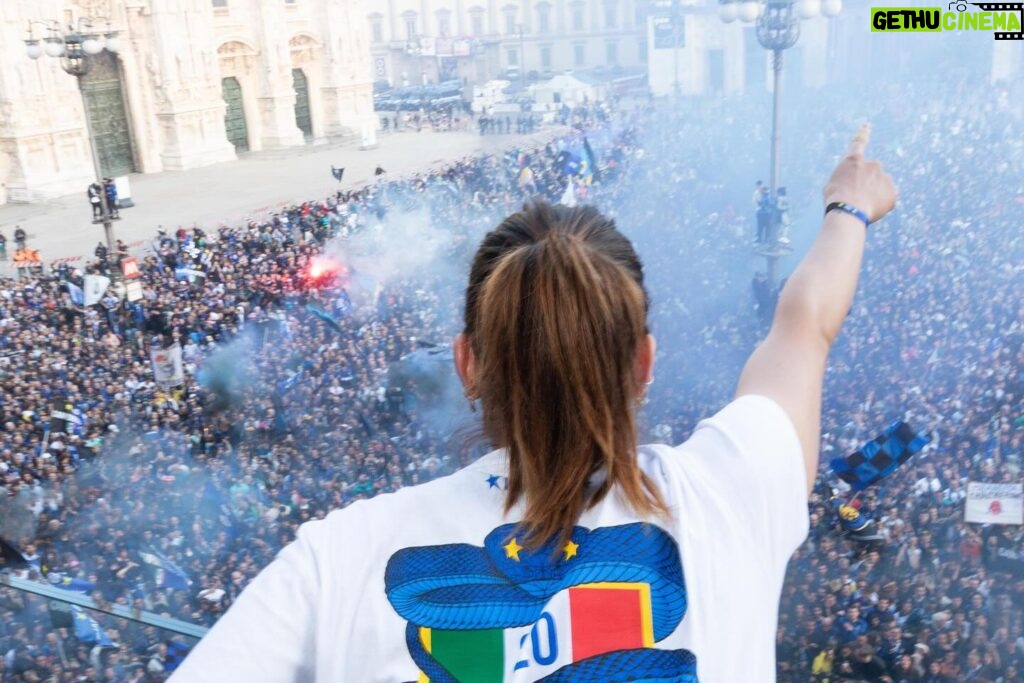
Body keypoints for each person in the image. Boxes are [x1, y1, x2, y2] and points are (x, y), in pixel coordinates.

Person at [170, 125, 895, 681]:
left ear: (466, 365)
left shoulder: (339, 560)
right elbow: (804, 322)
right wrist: (848, 208)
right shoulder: (730, 493)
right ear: (644, 363)